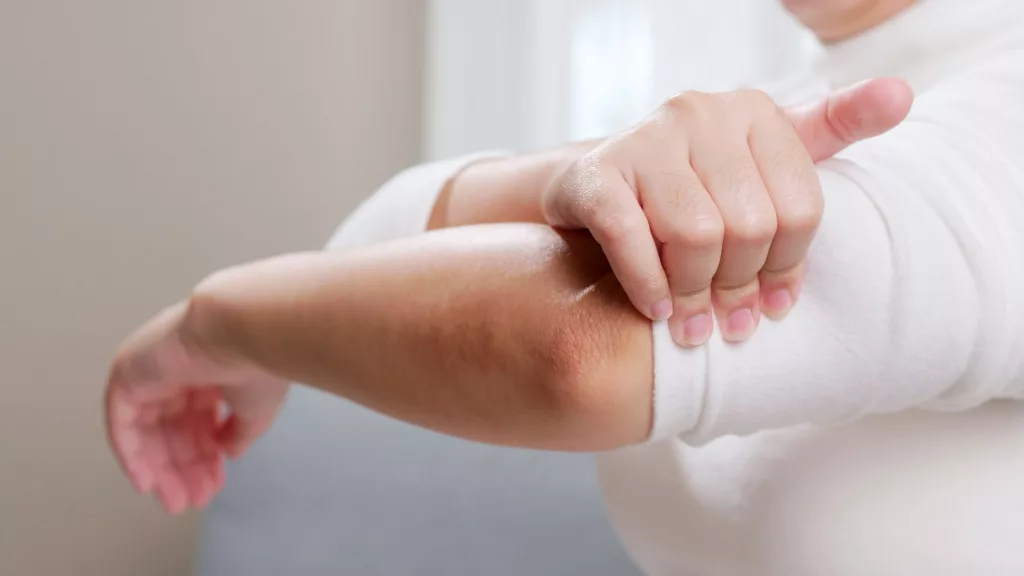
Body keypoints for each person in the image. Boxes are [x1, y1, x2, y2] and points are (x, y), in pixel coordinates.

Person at [106, 0, 1024, 573]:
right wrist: (584, 175)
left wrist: (214, 322)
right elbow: (398, 230)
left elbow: (581, 352)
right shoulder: (804, 98)